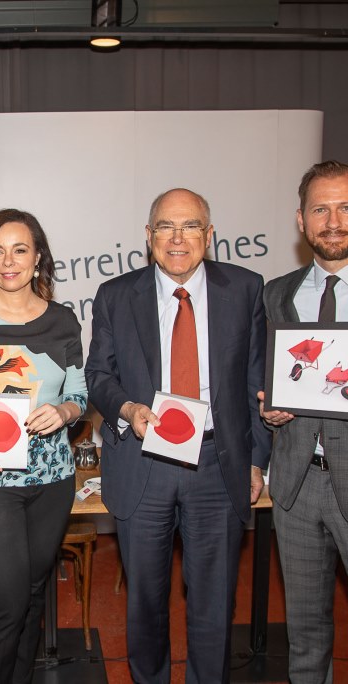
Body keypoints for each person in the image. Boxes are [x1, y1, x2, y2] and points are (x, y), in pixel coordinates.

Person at [85, 188, 271, 683]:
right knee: (145, 602)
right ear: (148, 237)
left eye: (190, 226)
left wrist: (256, 460)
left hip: (217, 462)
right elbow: (98, 376)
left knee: (214, 602)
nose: (177, 237)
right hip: (144, 460)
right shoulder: (116, 295)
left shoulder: (247, 289)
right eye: (165, 226)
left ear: (209, 236)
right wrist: (127, 408)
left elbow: (259, 380)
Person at [0, 208, 87, 684]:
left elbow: (79, 396)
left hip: (53, 479)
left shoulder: (64, 323)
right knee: (7, 603)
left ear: (38, 256)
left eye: (20, 249)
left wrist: (64, 413)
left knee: (33, 592)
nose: (9, 261)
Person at [259, 160, 348, 683]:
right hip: (296, 483)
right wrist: (267, 408)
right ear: (301, 220)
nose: (333, 220)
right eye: (321, 209)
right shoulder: (276, 293)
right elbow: (270, 376)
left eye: (344, 207)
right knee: (306, 634)